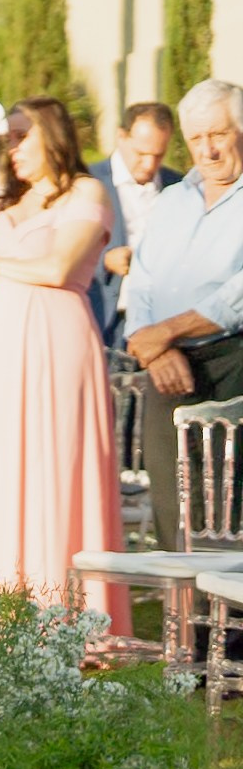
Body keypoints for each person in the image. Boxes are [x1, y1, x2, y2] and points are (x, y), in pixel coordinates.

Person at [0, 97, 128, 631]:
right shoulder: (7, 203)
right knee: (1, 470)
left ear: (51, 136)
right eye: (8, 139)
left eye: (21, 136)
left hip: (56, 339)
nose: (13, 148)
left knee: (56, 465)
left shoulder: (86, 192)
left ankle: (63, 617)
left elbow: (56, 268)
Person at [123, 79, 243, 551]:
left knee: (231, 508)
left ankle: (232, 624)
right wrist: (151, 349)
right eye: (196, 138)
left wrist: (164, 333)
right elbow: (144, 282)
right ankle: (184, 623)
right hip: (165, 371)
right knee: (174, 507)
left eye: (219, 134)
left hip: (233, 363)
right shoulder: (171, 200)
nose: (208, 150)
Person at [90, 100, 178, 345]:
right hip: (105, 317)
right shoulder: (88, 181)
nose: (149, 165)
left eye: (158, 155)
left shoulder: (179, 186)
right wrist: (104, 260)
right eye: (141, 154)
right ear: (121, 137)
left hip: (162, 323)